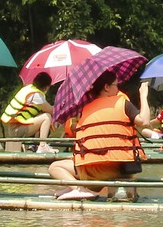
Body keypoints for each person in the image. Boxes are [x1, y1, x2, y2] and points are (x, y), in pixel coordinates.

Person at [48, 70, 154, 200]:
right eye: (116, 85)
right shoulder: (122, 103)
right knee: (65, 166)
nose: (118, 88)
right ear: (106, 87)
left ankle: (77, 188)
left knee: (55, 167)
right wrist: (143, 96)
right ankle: (78, 189)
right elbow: (145, 121)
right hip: (121, 168)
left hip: (92, 171)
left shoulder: (86, 108)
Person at [0, 72, 55, 148]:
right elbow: (50, 110)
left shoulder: (29, 88)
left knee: (41, 117)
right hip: (17, 131)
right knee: (46, 117)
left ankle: (34, 146)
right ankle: (42, 146)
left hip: (15, 128)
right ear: (46, 87)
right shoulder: (36, 95)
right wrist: (62, 105)